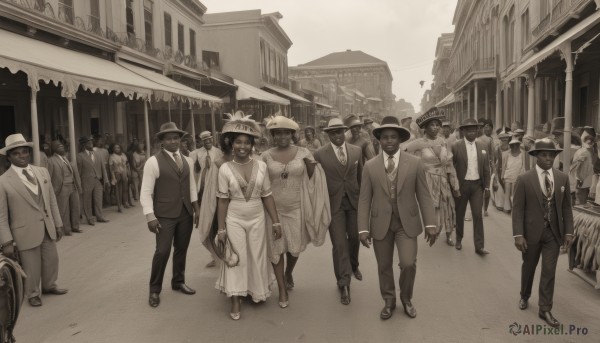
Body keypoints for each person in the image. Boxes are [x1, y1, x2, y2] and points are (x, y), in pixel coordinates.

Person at [357, 116, 437, 320]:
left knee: (408, 263)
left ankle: (406, 298)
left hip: (406, 223)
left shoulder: (415, 163)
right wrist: (363, 229)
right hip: (380, 223)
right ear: (379, 141)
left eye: (393, 137)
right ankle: (389, 300)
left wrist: (430, 223)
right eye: (385, 138)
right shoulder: (370, 166)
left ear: (400, 140)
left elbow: (424, 195)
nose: (389, 141)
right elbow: (365, 199)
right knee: (383, 265)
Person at [214, 112, 281, 320]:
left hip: (257, 218)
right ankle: (235, 297)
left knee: (257, 255)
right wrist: (221, 229)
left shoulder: (261, 166)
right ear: (231, 144)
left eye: (246, 142)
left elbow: (267, 195)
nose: (242, 146)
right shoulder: (224, 168)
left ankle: (254, 290)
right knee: (237, 257)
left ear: (252, 144)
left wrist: (276, 221)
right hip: (234, 218)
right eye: (238, 142)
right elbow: (222, 201)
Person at [262, 116, 330, 308]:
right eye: (277, 133)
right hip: (273, 210)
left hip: (296, 209)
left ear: (292, 134)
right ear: (273, 135)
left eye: (286, 132)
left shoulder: (304, 152)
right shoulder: (265, 155)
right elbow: (260, 182)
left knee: (294, 248)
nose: (282, 136)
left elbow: (314, 177)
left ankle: (288, 272)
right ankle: (282, 289)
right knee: (276, 249)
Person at [512, 138, 574, 328]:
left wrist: (569, 232)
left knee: (549, 271)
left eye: (552, 155)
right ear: (536, 156)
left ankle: (545, 308)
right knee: (529, 267)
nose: (549, 158)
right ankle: (524, 295)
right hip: (530, 233)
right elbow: (518, 209)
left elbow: (566, 208)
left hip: (553, 233)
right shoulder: (524, 179)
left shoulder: (562, 178)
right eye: (544, 155)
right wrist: (518, 234)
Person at [0, 133, 67, 307]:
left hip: (46, 225)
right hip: (23, 230)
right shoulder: (3, 181)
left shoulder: (41, 172)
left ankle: (49, 285)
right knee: (31, 265)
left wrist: (58, 223)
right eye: (16, 154)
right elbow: (1, 215)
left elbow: (51, 200)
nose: (22, 156)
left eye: (24, 152)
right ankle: (32, 293)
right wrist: (6, 240)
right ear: (9, 157)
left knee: (52, 258)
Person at [140, 122, 200, 308]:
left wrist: (196, 208)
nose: (173, 141)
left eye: (176, 138)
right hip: (164, 214)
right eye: (169, 138)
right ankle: (154, 289)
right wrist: (150, 215)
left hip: (185, 212)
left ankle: (178, 281)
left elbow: (191, 186)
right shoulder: (153, 162)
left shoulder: (187, 160)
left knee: (181, 249)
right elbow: (145, 191)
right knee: (162, 251)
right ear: (162, 142)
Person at [314, 118, 363, 305]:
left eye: (339, 132)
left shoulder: (356, 151)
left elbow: (361, 178)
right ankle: (343, 283)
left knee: (355, 237)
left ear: (345, 132)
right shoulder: (319, 154)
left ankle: (354, 265)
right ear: (328, 135)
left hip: (354, 202)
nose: (337, 136)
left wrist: (364, 203)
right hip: (333, 205)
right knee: (340, 244)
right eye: (332, 133)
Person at [406, 109, 460, 246]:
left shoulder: (443, 142)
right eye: (432, 125)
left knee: (448, 206)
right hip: (427, 179)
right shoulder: (418, 143)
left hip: (443, 178)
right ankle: (432, 229)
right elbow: (405, 156)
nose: (436, 128)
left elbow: (449, 163)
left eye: (438, 125)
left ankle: (448, 235)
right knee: (431, 207)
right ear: (425, 127)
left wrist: (454, 183)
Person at [451, 118, 491, 255]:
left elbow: (486, 168)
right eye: (469, 130)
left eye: (474, 130)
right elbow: (451, 167)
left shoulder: (483, 146)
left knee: (477, 215)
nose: (472, 132)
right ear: (463, 131)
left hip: (477, 186)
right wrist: (454, 186)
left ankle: (479, 246)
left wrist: (487, 187)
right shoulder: (456, 146)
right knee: (460, 214)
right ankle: (458, 239)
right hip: (462, 186)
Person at [190, 130, 223, 268]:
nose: (207, 142)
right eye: (204, 140)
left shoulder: (219, 152)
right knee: (206, 226)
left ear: (212, 139)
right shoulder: (195, 154)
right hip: (202, 193)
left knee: (217, 225)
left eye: (209, 139)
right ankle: (215, 256)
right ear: (201, 141)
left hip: (218, 192)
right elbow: (193, 174)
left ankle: (220, 256)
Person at [47, 140, 82, 235]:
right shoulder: (51, 160)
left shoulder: (65, 158)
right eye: (57, 146)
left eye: (61, 145)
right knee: (64, 209)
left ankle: (75, 226)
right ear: (53, 149)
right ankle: (66, 230)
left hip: (72, 186)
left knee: (76, 207)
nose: (61, 146)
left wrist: (78, 186)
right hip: (62, 188)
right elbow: (48, 177)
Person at [77, 136, 110, 225]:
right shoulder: (80, 156)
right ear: (84, 145)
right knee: (87, 200)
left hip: (98, 180)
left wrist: (106, 180)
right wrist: (79, 184)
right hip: (86, 181)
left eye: (91, 142)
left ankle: (100, 216)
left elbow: (103, 168)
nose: (91, 144)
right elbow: (79, 172)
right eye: (88, 142)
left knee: (98, 199)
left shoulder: (97, 154)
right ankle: (89, 218)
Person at [570, 127, 596, 206]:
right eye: (587, 138)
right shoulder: (584, 152)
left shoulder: (584, 151)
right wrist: (579, 179)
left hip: (584, 183)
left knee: (581, 203)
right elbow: (577, 167)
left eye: (591, 139)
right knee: (580, 203)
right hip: (582, 183)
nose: (589, 141)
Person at [501, 138, 526, 213]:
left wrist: (522, 176)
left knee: (514, 194)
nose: (515, 147)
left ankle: (514, 209)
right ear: (511, 146)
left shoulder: (522, 154)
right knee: (507, 193)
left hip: (517, 176)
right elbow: (504, 166)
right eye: (513, 145)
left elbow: (523, 166)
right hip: (508, 175)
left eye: (516, 145)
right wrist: (502, 175)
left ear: (518, 145)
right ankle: (507, 208)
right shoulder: (507, 154)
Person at [477, 119, 494, 216]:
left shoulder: (491, 139)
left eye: (489, 127)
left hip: (487, 166)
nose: (487, 129)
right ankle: (479, 208)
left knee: (487, 189)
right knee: (480, 188)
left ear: (492, 129)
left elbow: (492, 155)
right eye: (485, 127)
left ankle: (485, 209)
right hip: (479, 166)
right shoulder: (478, 139)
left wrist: (493, 168)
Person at [109, 143, 131, 213]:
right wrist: (113, 177)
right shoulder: (112, 156)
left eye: (118, 147)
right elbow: (111, 168)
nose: (117, 149)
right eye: (115, 148)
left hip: (124, 173)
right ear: (113, 149)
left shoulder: (123, 155)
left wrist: (128, 173)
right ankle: (119, 206)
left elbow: (127, 165)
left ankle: (125, 203)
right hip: (117, 174)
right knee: (118, 191)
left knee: (125, 189)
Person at [493, 131, 511, 211]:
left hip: (509, 169)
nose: (504, 139)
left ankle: (508, 205)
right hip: (499, 169)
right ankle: (500, 204)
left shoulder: (511, 147)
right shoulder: (497, 149)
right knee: (499, 187)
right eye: (502, 138)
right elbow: (494, 161)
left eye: (506, 138)